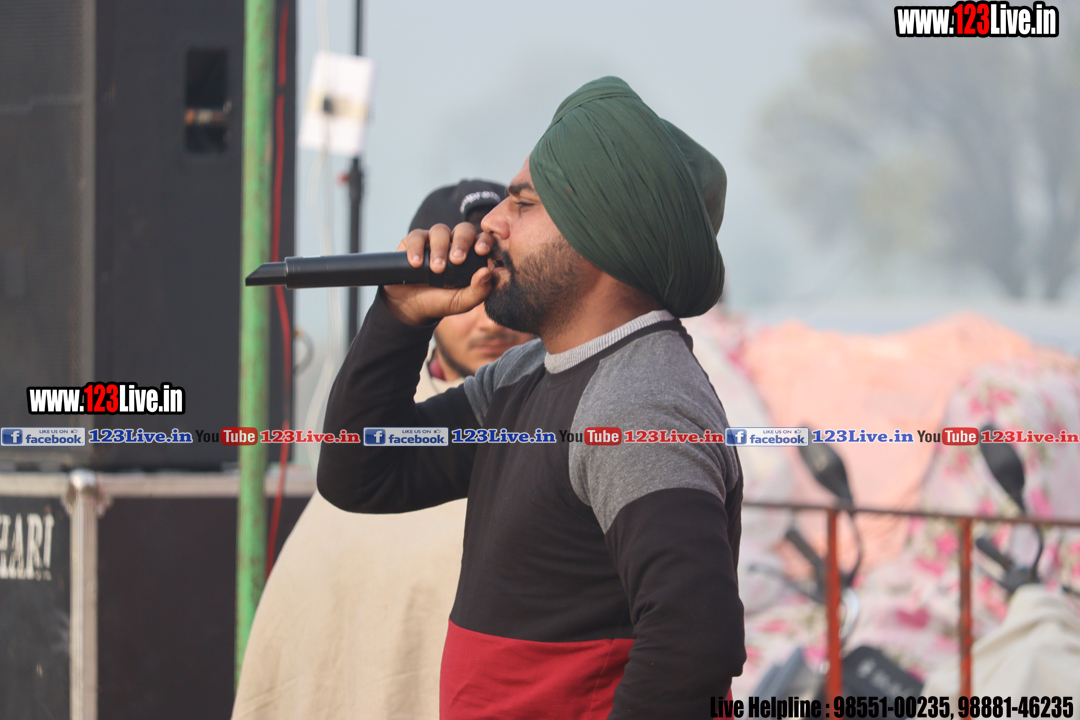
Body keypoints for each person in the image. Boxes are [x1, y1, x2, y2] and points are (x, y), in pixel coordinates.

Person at [319, 76, 745, 719]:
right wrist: (400, 317)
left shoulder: (638, 400)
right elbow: (365, 471)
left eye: (523, 203)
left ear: (601, 232)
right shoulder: (524, 375)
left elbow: (694, 641)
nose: (492, 223)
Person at [231, 180, 532, 720]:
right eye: (463, 279)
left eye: (500, 279)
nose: (487, 317)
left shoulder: (566, 417)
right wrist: (398, 313)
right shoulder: (371, 456)